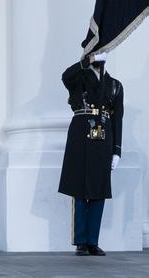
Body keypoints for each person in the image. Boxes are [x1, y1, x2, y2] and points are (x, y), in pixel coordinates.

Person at [59, 52, 123, 256]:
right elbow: (65, 76)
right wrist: (88, 61)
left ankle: (92, 241)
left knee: (99, 189)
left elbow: (118, 119)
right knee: (79, 189)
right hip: (80, 135)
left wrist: (117, 151)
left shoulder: (114, 85)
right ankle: (80, 241)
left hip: (103, 137)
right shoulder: (78, 78)